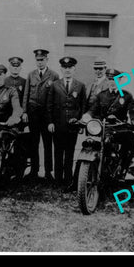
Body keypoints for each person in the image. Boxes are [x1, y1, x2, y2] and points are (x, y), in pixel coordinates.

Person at [82, 68, 134, 180]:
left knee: (131, 139)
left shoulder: (127, 96)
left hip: (119, 128)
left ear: (121, 80)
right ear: (107, 80)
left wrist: (133, 120)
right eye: (110, 79)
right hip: (104, 127)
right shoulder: (101, 95)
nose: (112, 82)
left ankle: (122, 168)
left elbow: (132, 111)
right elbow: (93, 109)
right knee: (92, 144)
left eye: (115, 79)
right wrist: (87, 116)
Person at [46, 57, 86, 191]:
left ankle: (68, 180)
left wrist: (80, 124)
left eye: (70, 68)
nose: (67, 70)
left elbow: (83, 106)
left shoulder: (80, 86)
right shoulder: (55, 85)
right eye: (65, 68)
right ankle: (58, 180)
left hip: (72, 126)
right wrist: (50, 122)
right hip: (58, 124)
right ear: (61, 69)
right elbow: (49, 105)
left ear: (74, 69)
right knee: (58, 152)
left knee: (69, 153)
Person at [22, 49, 59, 181]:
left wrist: (52, 118)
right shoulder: (31, 75)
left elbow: (55, 97)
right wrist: (24, 111)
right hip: (33, 113)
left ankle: (49, 171)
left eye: (42, 60)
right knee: (33, 143)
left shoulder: (54, 75)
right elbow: (26, 94)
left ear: (47, 60)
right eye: (38, 60)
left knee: (48, 143)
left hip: (47, 114)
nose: (40, 62)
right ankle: (34, 170)